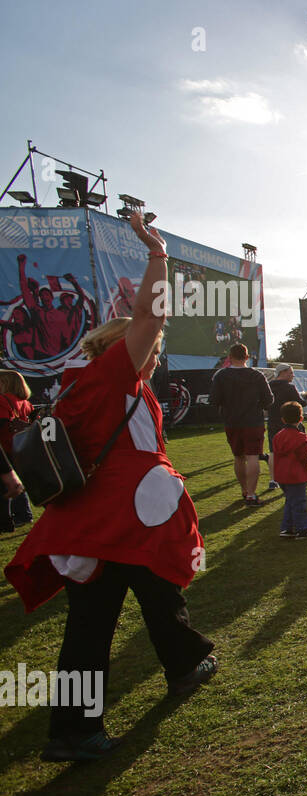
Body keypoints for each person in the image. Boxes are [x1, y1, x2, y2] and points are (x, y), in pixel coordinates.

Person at [5, 213, 216, 762]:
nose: (156, 354)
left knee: (147, 596)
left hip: (107, 521)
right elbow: (149, 311)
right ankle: (77, 730)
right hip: (110, 522)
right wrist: (158, 257)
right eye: (152, 345)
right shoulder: (112, 374)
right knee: (98, 624)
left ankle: (184, 665)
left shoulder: (91, 381)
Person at [208, 341, 273, 505]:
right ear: (247, 357)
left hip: (232, 421)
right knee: (253, 457)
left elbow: (214, 400)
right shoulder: (256, 375)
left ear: (230, 357)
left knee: (238, 457)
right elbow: (269, 399)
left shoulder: (221, 376)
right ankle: (251, 494)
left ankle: (245, 490)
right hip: (253, 421)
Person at [272, 402, 307, 539]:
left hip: (281, 474)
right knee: (299, 503)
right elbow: (305, 457)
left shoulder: (278, 436)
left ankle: (287, 528)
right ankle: (302, 529)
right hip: (296, 475)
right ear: (301, 418)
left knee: (290, 501)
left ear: (283, 419)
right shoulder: (300, 437)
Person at [267, 363, 307, 492]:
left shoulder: (268, 386)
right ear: (283, 373)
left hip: (273, 421)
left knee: (273, 452)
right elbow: (301, 403)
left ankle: (273, 480)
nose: (293, 375)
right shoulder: (289, 387)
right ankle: (302, 474)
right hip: (291, 423)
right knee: (299, 449)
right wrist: (306, 397)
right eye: (291, 373)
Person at [0, 369, 34, 532]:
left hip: (5, 447)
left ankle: (5, 522)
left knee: (4, 488)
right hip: (22, 447)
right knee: (19, 484)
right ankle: (24, 514)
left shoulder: (3, 400)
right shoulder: (25, 402)